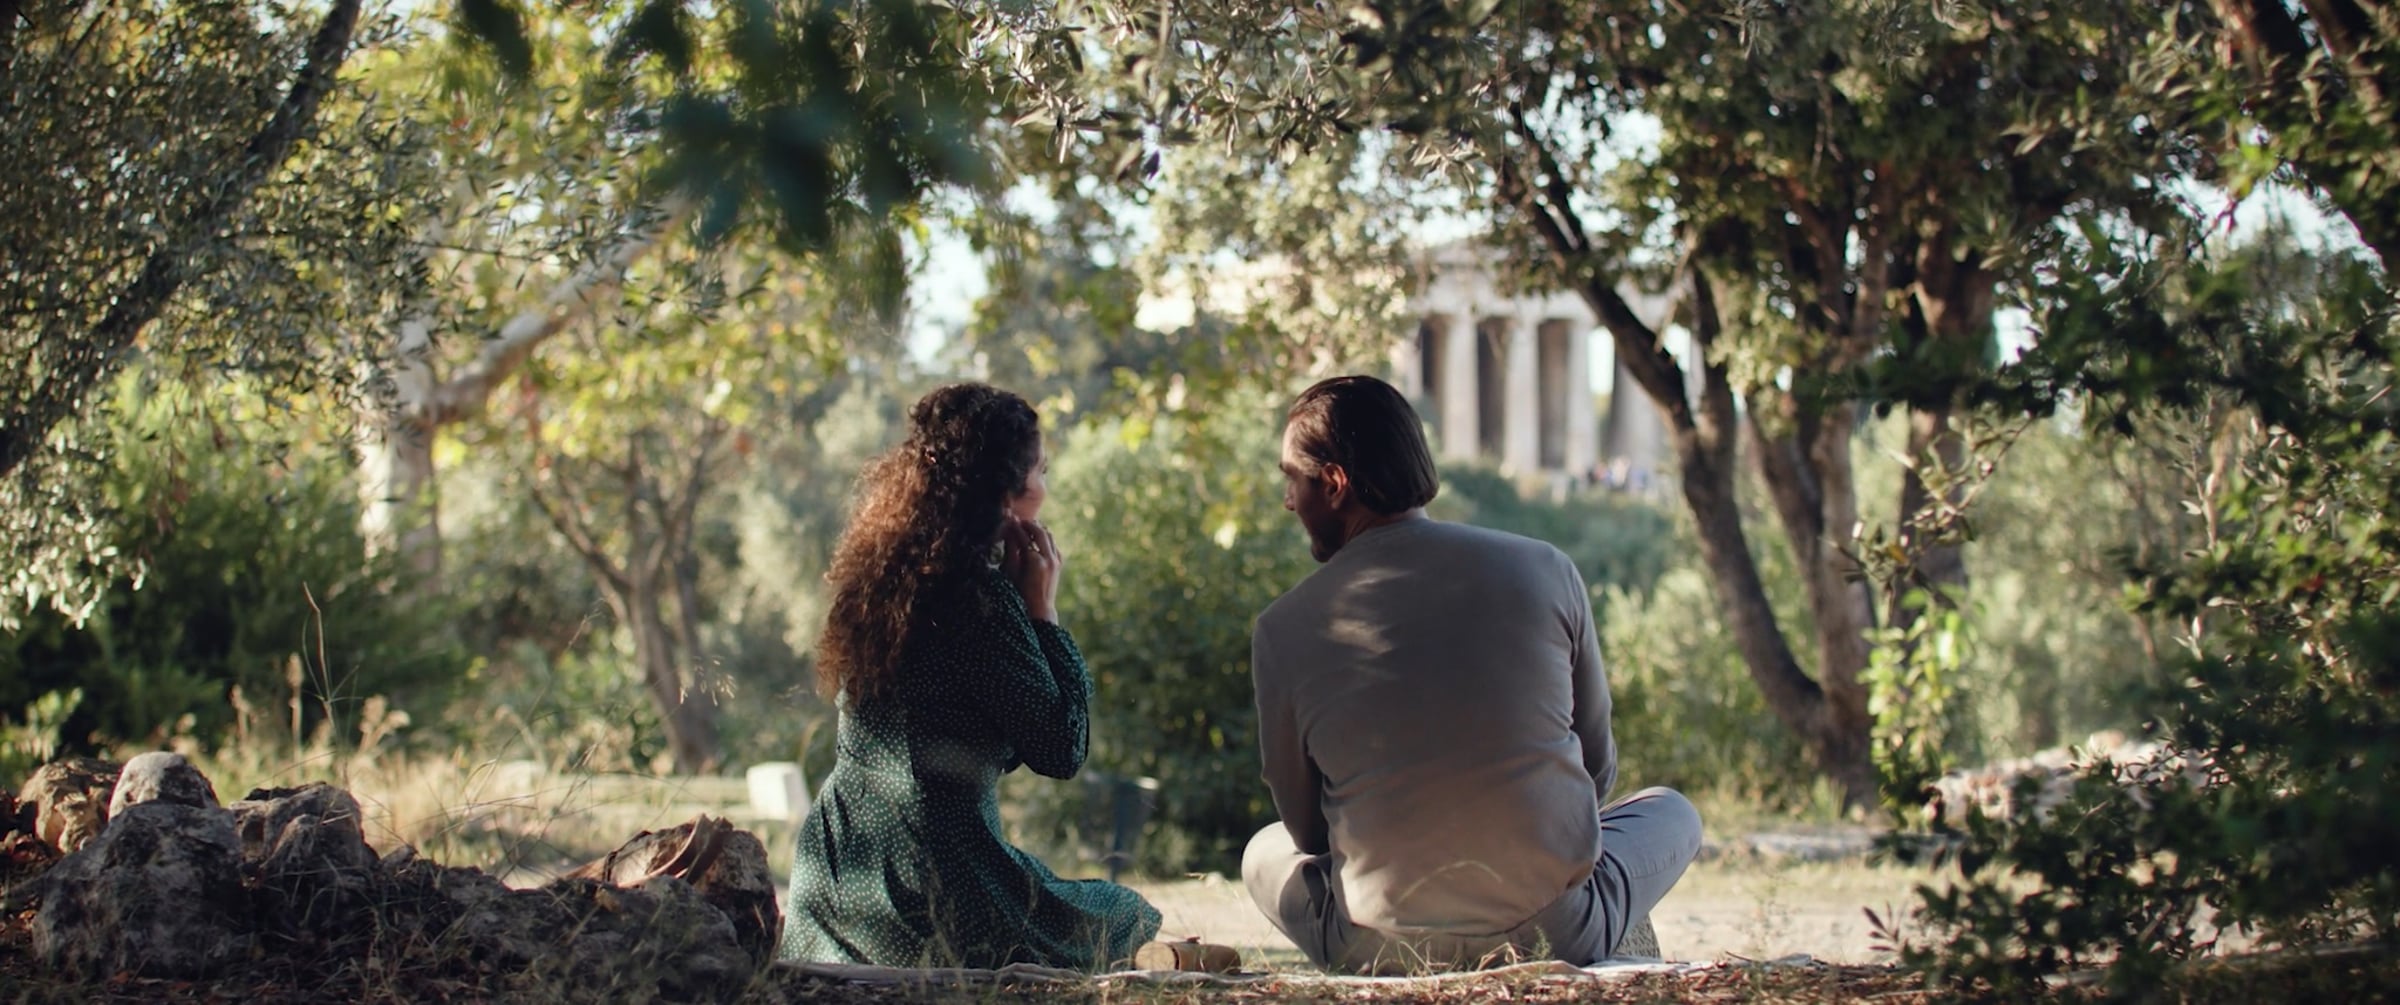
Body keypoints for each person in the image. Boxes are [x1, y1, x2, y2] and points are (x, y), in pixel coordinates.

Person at [1243, 375, 1702, 974]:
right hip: (1555, 934)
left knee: (1263, 850)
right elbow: (1595, 772)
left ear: (1332, 483)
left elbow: (1306, 834)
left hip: (1379, 948)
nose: (1288, 501)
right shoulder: (1546, 569)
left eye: (1291, 479)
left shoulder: (1282, 627)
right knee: (1671, 811)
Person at [779, 382, 1162, 970]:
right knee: (1123, 911)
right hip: (933, 885)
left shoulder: (880, 587)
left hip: (831, 880)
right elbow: (1062, 750)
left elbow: (963, 738)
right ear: (1007, 495)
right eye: (1041, 471)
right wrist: (1043, 614)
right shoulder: (982, 602)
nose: (1047, 487)